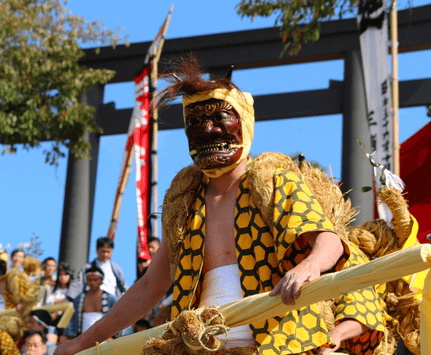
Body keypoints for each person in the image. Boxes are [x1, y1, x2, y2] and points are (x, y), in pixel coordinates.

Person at [54, 56, 348, 355]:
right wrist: (82, 342)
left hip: (282, 346)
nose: (207, 130)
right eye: (194, 122)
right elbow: (148, 288)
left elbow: (330, 242)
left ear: (244, 123)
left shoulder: (274, 182)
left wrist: (308, 266)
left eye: (219, 118)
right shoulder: (186, 203)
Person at [60, 266, 117, 343]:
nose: (92, 282)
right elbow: (73, 320)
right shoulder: (78, 299)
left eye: (95, 279)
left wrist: (114, 338)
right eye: (89, 280)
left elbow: (117, 318)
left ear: (102, 280)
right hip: (83, 340)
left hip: (105, 340)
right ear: (86, 281)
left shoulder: (111, 299)